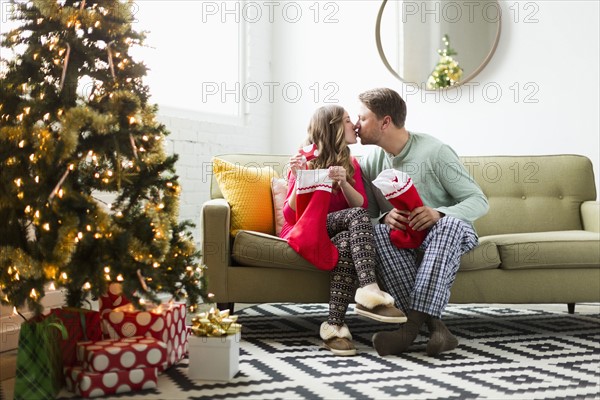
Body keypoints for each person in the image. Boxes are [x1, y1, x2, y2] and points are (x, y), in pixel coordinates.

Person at [355, 88, 489, 356]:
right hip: (405, 240)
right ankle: (438, 329)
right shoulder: (370, 162)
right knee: (379, 233)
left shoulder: (435, 151)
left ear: (385, 122)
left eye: (362, 118)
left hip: (450, 232)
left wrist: (438, 213)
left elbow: (478, 200)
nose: (356, 125)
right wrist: (383, 217)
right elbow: (366, 216)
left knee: (446, 226)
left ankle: (409, 330)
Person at [280, 104, 405, 356]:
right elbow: (291, 215)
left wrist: (343, 182)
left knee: (349, 238)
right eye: (348, 121)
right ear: (334, 127)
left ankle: (334, 325)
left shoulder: (350, 162)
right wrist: (300, 177)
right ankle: (369, 288)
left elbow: (362, 205)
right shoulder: (305, 158)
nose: (355, 126)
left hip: (335, 231)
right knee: (355, 219)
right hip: (306, 228)